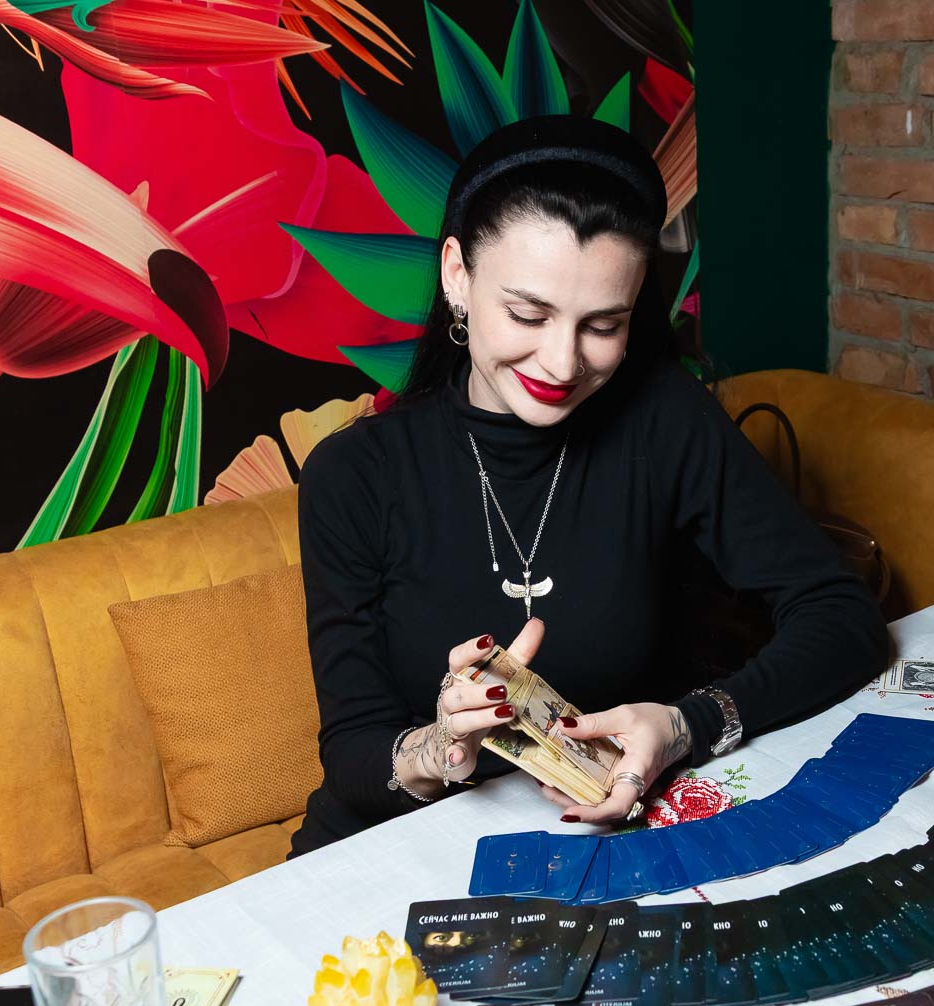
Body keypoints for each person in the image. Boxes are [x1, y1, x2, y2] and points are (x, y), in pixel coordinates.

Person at [290, 115, 888, 857]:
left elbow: (843, 618)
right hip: (395, 851)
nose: (562, 363)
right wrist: (438, 748)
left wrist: (686, 726)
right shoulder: (354, 474)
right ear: (457, 276)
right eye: (528, 314)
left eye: (603, 325)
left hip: (597, 840)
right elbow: (352, 755)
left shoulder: (664, 419)